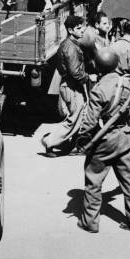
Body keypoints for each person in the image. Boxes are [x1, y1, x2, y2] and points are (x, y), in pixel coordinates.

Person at [76, 48, 130, 234]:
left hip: (105, 140)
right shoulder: (129, 82)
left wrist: (82, 140)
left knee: (93, 180)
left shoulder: (99, 89)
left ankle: (89, 222)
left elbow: (90, 122)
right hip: (125, 137)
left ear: (98, 67)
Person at [42, 15, 89, 156]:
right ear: (70, 30)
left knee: (78, 116)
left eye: (82, 27)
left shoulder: (68, 43)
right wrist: (87, 77)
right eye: (78, 28)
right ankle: (49, 141)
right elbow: (75, 72)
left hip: (69, 85)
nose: (82, 30)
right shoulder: (71, 47)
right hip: (71, 86)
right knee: (74, 118)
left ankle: (74, 146)